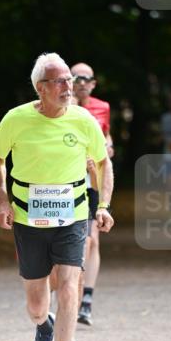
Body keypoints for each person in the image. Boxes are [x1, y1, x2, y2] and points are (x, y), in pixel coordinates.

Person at [0, 52, 114, 341]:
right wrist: (2, 201)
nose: (68, 87)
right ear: (40, 88)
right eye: (60, 81)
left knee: (70, 284)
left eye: (69, 80)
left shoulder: (84, 120)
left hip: (73, 215)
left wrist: (103, 205)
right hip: (28, 219)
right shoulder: (17, 119)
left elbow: (103, 163)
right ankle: (44, 325)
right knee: (36, 303)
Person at [71, 62, 114, 326]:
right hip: (67, 179)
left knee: (92, 240)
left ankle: (86, 299)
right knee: (77, 239)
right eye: (76, 77)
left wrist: (108, 148)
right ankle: (68, 294)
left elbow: (107, 137)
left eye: (86, 78)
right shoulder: (63, 106)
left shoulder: (103, 107)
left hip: (93, 179)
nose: (81, 82)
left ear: (93, 83)